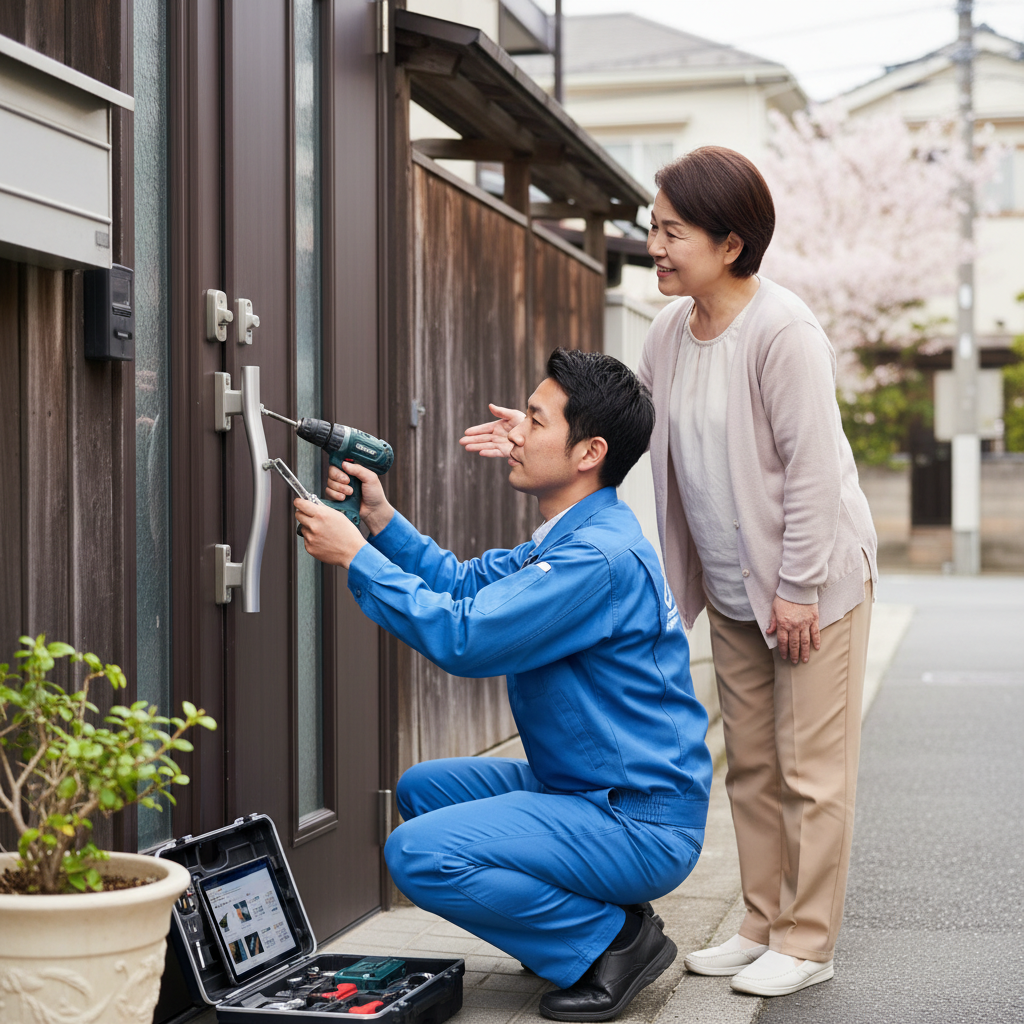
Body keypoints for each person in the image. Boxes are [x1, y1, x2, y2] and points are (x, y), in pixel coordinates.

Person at [459, 147, 878, 999]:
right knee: (753, 764)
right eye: (652, 227)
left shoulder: (783, 330)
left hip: (811, 588)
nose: (652, 244)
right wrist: (538, 438)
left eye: (670, 231)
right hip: (731, 589)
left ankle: (808, 937)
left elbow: (812, 473)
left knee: (811, 770)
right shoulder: (668, 333)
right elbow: (623, 432)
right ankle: (761, 921)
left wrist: (798, 587)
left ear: (729, 243)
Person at [295, 348, 713, 1022]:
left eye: (536, 420)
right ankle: (586, 914)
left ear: (589, 452)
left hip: (635, 818)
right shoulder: (577, 533)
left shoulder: (594, 557)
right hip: (586, 788)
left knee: (418, 853)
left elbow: (469, 639)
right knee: (423, 791)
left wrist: (357, 558)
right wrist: (377, 519)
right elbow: (464, 586)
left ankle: (609, 941)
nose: (515, 431)